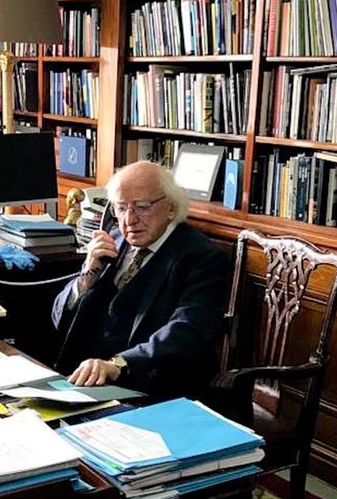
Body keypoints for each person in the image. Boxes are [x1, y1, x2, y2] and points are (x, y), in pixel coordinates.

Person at [52, 160, 230, 399]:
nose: (129, 219)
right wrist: (87, 275)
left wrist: (119, 365)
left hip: (155, 387)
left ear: (171, 207)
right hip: (84, 380)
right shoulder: (113, 240)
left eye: (142, 207)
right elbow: (58, 318)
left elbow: (187, 332)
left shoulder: (202, 257)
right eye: (121, 208)